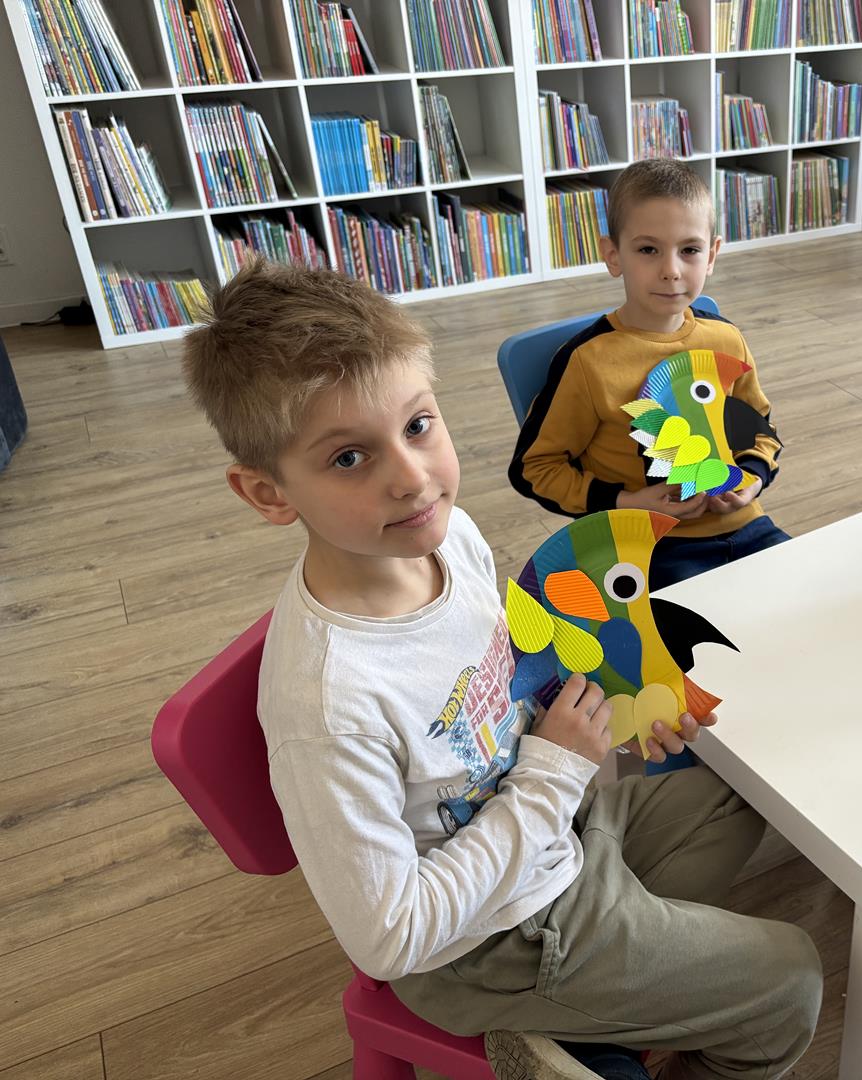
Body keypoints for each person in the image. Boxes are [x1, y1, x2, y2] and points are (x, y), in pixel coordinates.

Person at [180, 258, 822, 1080]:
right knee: (792, 982)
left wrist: (613, 708)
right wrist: (555, 773)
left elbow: (518, 674)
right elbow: (389, 937)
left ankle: (580, 1031)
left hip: (558, 833)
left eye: (418, 425)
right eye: (348, 459)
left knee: (743, 788)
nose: (412, 478)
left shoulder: (449, 537)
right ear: (270, 493)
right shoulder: (330, 705)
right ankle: (572, 1012)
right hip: (485, 943)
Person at [510, 159, 788, 591]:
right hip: (651, 546)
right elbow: (536, 468)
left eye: (689, 250)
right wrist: (628, 502)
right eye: (648, 250)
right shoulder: (587, 362)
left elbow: (761, 430)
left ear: (712, 255)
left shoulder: (727, 339)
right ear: (613, 255)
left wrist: (750, 480)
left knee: (813, 597)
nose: (671, 270)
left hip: (748, 526)